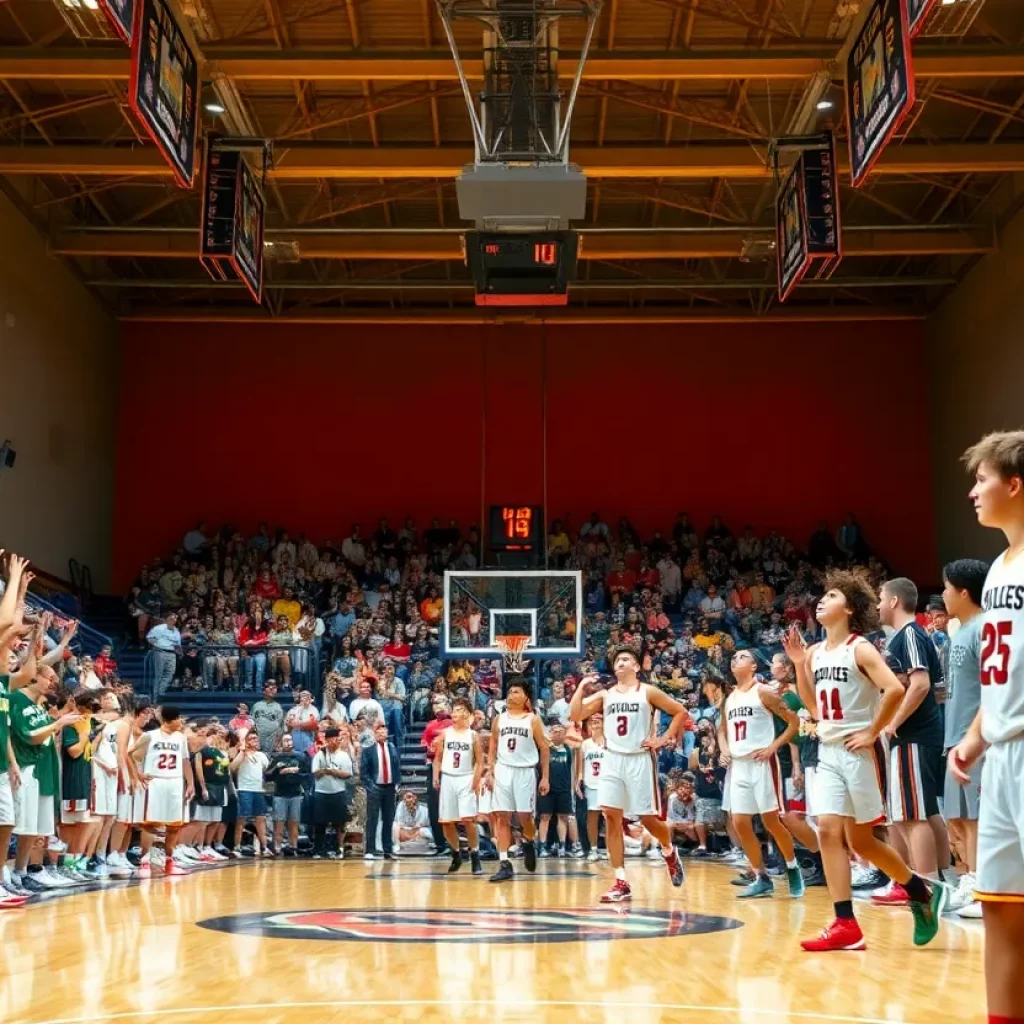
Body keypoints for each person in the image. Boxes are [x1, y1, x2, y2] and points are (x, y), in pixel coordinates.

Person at [782, 572, 946, 952]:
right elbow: (811, 705)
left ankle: (919, 891)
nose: (822, 600)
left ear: (850, 608)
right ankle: (845, 923)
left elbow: (895, 688)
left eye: (832, 595)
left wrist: (874, 731)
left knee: (863, 841)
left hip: (860, 750)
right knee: (826, 829)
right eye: (822, 596)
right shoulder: (814, 653)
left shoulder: (861, 649)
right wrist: (798, 665)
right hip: (828, 749)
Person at [949, 432, 1024, 1024]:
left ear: (1014, 484)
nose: (973, 491)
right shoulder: (999, 566)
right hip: (1000, 753)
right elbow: (1004, 671)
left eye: (982, 480)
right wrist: (976, 734)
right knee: (1000, 904)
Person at [568, 644, 687, 903]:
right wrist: (580, 687)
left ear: (636, 666)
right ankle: (621, 881)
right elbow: (575, 713)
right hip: (612, 759)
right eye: (617, 659)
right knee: (611, 816)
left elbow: (680, 712)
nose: (621, 662)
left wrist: (663, 739)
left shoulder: (648, 691)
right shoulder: (605, 695)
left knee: (647, 819)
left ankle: (669, 850)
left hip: (639, 759)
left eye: (626, 659)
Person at [877, 576, 948, 894]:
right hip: (923, 734)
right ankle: (947, 882)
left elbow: (921, 685)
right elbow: (940, 691)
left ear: (894, 601)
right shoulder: (910, 636)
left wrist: (892, 724)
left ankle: (927, 886)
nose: (878, 603)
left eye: (881, 597)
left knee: (912, 816)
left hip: (913, 737)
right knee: (927, 812)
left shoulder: (908, 635)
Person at [718, 649, 804, 899]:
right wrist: (724, 750)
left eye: (742, 657)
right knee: (740, 823)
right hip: (739, 765)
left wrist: (772, 747)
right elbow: (722, 731)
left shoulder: (765, 691)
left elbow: (794, 722)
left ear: (754, 666)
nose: (735, 659)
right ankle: (761, 876)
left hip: (763, 764)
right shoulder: (730, 698)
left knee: (771, 822)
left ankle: (791, 866)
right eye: (733, 658)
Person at [940, 557, 988, 917]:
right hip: (952, 736)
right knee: (957, 817)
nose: (942, 594)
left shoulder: (984, 629)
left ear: (963, 592)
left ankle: (980, 883)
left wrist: (974, 737)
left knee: (974, 817)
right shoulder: (960, 631)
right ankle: (969, 877)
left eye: (946, 588)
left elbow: (991, 690)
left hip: (973, 738)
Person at [485, 675, 549, 882]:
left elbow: (545, 748)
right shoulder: (499, 719)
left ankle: (529, 841)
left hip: (525, 771)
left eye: (517, 691)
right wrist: (489, 769)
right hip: (503, 769)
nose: (512, 694)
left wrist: (545, 777)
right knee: (501, 816)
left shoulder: (533, 720)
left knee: (524, 817)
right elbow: (493, 743)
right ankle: (504, 863)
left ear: (526, 697)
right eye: (510, 691)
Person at [133, 705, 194, 877]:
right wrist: (139, 773)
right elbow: (134, 756)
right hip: (155, 781)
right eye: (179, 718)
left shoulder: (181, 738)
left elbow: (185, 761)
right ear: (171, 720)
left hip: (175, 782)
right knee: (150, 824)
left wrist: (190, 783)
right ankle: (144, 862)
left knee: (174, 826)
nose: (181, 721)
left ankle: (169, 861)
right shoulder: (149, 736)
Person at [434, 697, 483, 874]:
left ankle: (475, 855)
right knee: (446, 822)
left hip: (466, 778)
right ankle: (456, 854)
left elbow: (480, 761)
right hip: (448, 777)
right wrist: (436, 775)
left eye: (459, 709)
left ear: (467, 714)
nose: (455, 712)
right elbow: (437, 758)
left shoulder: (473, 735)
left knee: (468, 820)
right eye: (454, 709)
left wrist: (476, 781)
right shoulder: (445, 733)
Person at [537, 721, 580, 858]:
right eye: (555, 731)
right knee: (545, 817)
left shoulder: (568, 749)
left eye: (561, 732)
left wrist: (574, 785)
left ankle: (562, 845)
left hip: (564, 788)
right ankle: (542, 846)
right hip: (547, 789)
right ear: (550, 734)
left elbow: (579, 744)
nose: (558, 734)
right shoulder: (545, 749)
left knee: (563, 817)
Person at [310, 727, 352, 859]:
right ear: (327, 740)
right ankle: (318, 850)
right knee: (320, 823)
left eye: (337, 738)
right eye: (333, 738)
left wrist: (333, 772)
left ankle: (338, 848)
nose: (336, 741)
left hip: (338, 792)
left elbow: (348, 774)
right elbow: (315, 773)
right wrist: (324, 771)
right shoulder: (320, 754)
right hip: (321, 792)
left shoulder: (343, 755)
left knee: (339, 823)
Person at [266, 733, 310, 855]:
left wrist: (295, 771)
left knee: (294, 822)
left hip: (295, 793)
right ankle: (277, 847)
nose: (288, 742)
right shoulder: (277, 757)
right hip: (280, 793)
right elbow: (267, 776)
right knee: (279, 822)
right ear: (281, 743)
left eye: (290, 740)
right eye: (285, 740)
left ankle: (293, 846)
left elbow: (307, 774)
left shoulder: (300, 757)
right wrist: (278, 769)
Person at [362, 723, 400, 861]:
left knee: (388, 819)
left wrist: (397, 783)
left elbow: (397, 767)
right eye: (379, 732)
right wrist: (371, 787)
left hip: (390, 787)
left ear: (387, 733)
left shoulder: (393, 748)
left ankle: (387, 850)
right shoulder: (368, 750)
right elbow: (364, 772)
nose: (382, 734)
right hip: (375, 787)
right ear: (374, 734)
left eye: (384, 732)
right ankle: (370, 850)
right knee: (372, 819)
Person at [231, 731, 270, 857]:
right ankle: (237, 847)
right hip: (244, 789)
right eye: (252, 738)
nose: (255, 740)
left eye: (256, 738)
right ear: (246, 740)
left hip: (258, 789)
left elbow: (266, 771)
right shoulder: (241, 754)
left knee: (261, 818)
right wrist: (243, 751)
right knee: (241, 818)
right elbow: (232, 768)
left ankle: (264, 847)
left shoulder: (261, 755)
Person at [580, 712, 606, 861]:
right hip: (591, 783)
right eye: (593, 722)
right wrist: (579, 779)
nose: (595, 724)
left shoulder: (610, 742)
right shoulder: (586, 744)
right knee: (592, 817)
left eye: (598, 721)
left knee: (610, 818)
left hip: (608, 783)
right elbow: (581, 765)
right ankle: (593, 849)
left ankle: (610, 849)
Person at [394, 790, 432, 854]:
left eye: (410, 797)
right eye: (406, 798)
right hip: (405, 832)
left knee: (425, 831)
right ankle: (397, 844)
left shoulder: (423, 809)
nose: (408, 800)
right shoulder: (401, 806)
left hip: (416, 832)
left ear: (415, 797)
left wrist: (420, 825)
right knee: (394, 826)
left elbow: (428, 824)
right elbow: (399, 823)